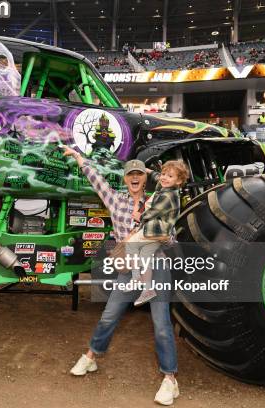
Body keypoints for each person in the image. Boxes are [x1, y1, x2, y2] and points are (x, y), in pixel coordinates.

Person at [62, 146, 180, 406]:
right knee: (109, 315)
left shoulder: (157, 199)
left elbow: (171, 236)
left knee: (161, 325)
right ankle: (91, 357)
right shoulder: (115, 200)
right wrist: (79, 158)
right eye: (130, 174)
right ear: (125, 179)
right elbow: (96, 179)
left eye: (139, 173)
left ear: (144, 178)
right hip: (129, 269)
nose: (135, 177)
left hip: (157, 266)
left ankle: (170, 379)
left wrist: (160, 235)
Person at [127, 160, 188, 306]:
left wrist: (139, 217)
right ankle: (148, 290)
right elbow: (157, 177)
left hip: (156, 229)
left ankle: (136, 279)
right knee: (145, 255)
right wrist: (149, 172)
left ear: (179, 181)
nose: (164, 178)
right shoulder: (165, 185)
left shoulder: (169, 196)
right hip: (159, 232)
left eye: (170, 176)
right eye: (163, 174)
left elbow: (154, 212)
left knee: (130, 245)